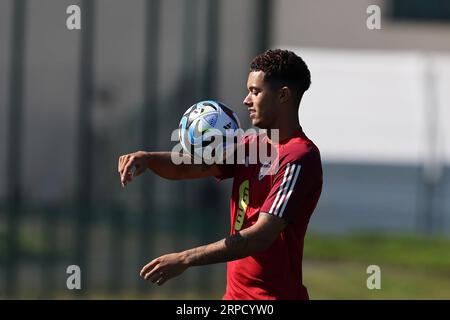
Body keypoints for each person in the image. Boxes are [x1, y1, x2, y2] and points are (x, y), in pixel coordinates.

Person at [117, 49, 323, 300]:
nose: (246, 100)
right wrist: (148, 159)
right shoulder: (252, 145)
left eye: (255, 91)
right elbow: (186, 167)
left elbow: (260, 237)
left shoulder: (299, 157)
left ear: (283, 95)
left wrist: (185, 259)